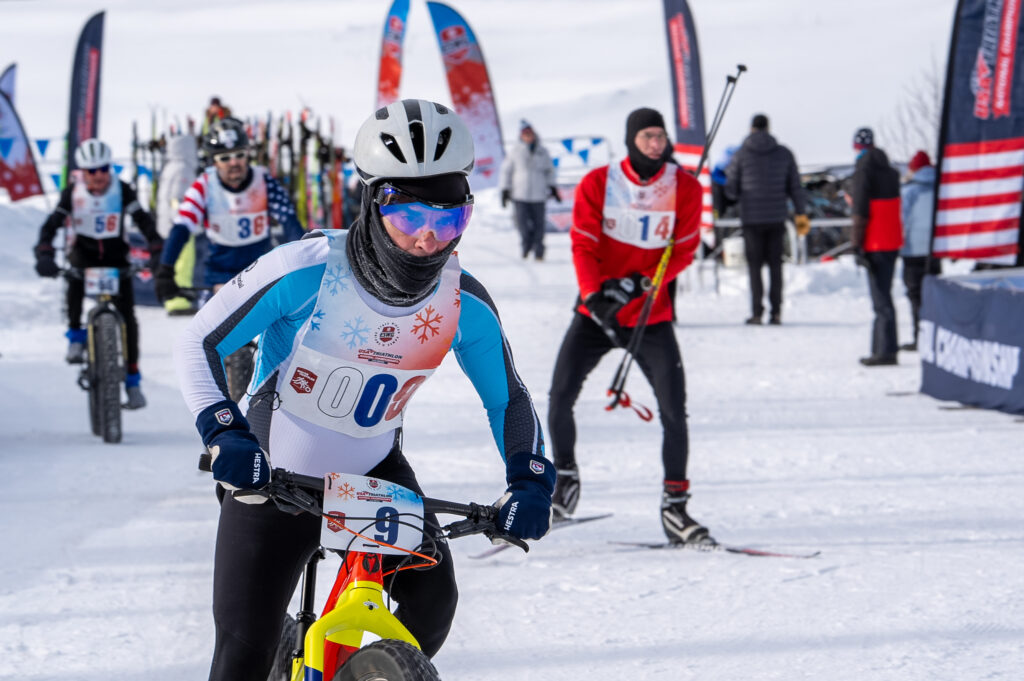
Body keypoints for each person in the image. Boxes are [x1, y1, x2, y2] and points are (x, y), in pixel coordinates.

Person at [173, 99, 554, 680]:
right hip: (272, 474)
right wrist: (225, 434)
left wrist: (528, 477)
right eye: (408, 218)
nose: (427, 239)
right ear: (373, 204)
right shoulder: (307, 268)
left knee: (430, 611)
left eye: (448, 220)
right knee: (241, 654)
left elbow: (509, 399)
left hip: (375, 473)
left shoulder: (463, 301)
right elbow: (198, 340)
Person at [547, 107, 709, 545]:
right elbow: (583, 242)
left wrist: (640, 283)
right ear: (631, 139)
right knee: (559, 396)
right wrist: (595, 295)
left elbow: (685, 248)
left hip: (649, 315)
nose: (656, 143)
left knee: (675, 410)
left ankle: (675, 507)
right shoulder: (599, 182)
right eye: (647, 136)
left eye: (660, 136)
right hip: (596, 312)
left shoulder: (685, 187)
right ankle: (565, 481)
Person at [33, 138, 163, 409]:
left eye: (104, 168)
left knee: (128, 318)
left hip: (117, 259)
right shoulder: (72, 193)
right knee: (74, 281)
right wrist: (44, 253)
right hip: (84, 255)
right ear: (83, 172)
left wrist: (156, 248)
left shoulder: (122, 190)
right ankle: (75, 337)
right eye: (92, 171)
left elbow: (145, 222)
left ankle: (132, 380)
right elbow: (51, 226)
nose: (99, 175)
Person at [154, 117, 305, 305]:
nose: (234, 163)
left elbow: (290, 222)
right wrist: (165, 269)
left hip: (261, 274)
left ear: (247, 154)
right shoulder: (204, 186)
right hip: (219, 278)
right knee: (210, 333)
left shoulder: (264, 182)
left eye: (239, 155)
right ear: (214, 162)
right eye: (224, 158)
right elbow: (181, 227)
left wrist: (304, 258)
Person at [725, 114, 809, 325]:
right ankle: (777, 312)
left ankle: (756, 312)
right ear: (768, 128)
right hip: (776, 218)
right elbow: (795, 188)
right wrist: (801, 214)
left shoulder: (741, 155)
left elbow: (731, 190)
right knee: (775, 266)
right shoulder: (784, 153)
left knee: (754, 268)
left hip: (751, 219)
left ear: (752, 128)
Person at [849, 127, 903, 366]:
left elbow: (860, 211)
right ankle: (885, 347)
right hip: (892, 239)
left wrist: (856, 244)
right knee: (885, 296)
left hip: (875, 241)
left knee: (880, 299)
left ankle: (884, 351)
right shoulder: (891, 171)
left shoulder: (863, 171)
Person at [499, 119, 559, 260]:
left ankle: (539, 250)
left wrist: (552, 187)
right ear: (521, 136)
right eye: (525, 134)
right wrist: (505, 190)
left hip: (538, 195)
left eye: (530, 134)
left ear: (533, 134)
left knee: (539, 225)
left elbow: (550, 171)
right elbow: (506, 171)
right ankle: (526, 246)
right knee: (522, 224)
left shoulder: (542, 152)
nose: (528, 136)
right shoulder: (515, 151)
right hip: (520, 195)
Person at [899, 150, 941, 350]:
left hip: (913, 250)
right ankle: (937, 335)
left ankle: (920, 337)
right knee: (934, 295)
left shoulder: (910, 190)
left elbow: (902, 220)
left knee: (916, 295)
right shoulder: (941, 187)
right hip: (935, 249)